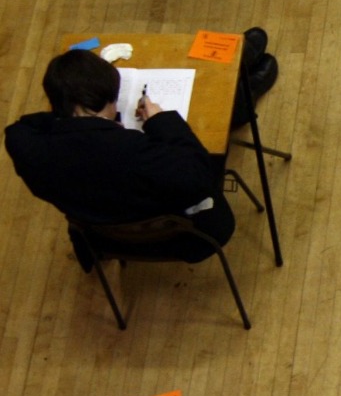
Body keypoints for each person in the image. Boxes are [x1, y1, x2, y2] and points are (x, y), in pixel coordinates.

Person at [4, 49, 236, 264]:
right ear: (107, 99)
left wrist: (70, 119)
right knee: (214, 153)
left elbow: (21, 127)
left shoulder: (26, 147)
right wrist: (161, 121)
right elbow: (198, 177)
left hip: (101, 235)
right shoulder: (133, 152)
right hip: (176, 237)